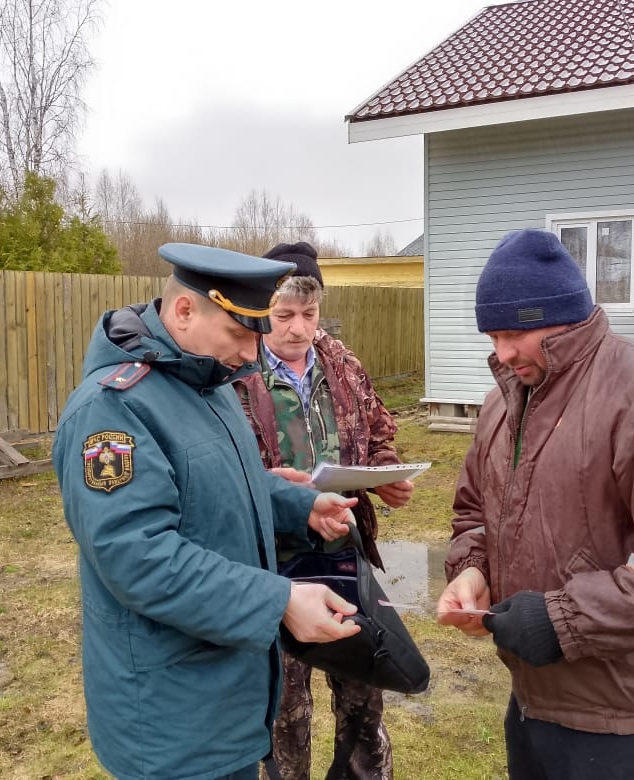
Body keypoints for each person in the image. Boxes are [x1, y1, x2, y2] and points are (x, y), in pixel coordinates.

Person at [435, 228, 634, 779]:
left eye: (513, 334)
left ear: (562, 317)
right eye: (492, 336)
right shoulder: (501, 405)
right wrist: (472, 570)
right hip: (537, 705)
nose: (501, 354)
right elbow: (473, 513)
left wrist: (560, 619)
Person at [52, 242, 365, 780]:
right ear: (183, 312)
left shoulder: (205, 380)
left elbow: (226, 481)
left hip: (224, 696)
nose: (251, 354)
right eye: (240, 335)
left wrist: (303, 504)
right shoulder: (114, 411)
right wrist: (280, 600)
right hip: (169, 717)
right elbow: (138, 557)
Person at [233, 240, 413, 780]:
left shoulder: (342, 361)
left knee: (362, 693)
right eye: (283, 315)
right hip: (273, 564)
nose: (297, 328)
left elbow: (379, 431)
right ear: (264, 310)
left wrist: (387, 474)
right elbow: (224, 474)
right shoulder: (236, 373)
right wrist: (282, 495)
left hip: (343, 555)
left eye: (308, 315)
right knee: (285, 712)